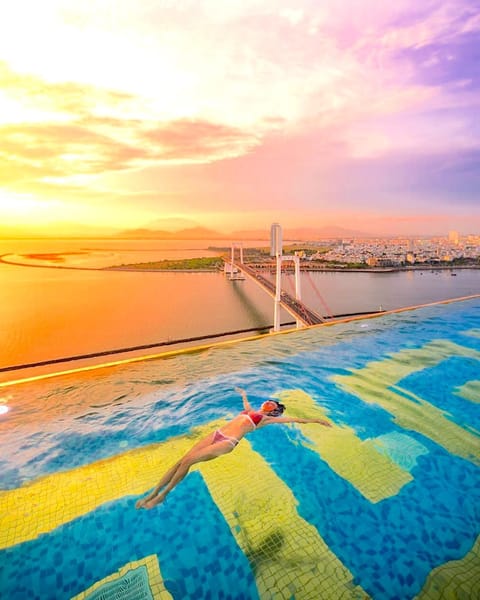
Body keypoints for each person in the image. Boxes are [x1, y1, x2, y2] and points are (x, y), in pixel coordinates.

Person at [136, 387, 331, 509]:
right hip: (217, 434)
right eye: (268, 401)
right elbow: (245, 402)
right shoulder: (249, 411)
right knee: (180, 460)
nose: (267, 402)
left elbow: (293, 419)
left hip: (227, 442)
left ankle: (163, 495)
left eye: (271, 403)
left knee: (188, 461)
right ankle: (153, 493)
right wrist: (243, 393)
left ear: (274, 410)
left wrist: (316, 420)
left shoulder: (264, 419)